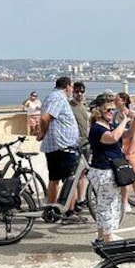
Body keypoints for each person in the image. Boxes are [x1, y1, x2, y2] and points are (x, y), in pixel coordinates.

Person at [36, 76, 84, 224]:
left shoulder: (52, 97)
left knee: (54, 179)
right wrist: (42, 133)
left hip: (55, 146)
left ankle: (51, 211)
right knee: (70, 179)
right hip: (63, 146)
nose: (72, 91)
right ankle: (69, 213)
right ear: (67, 86)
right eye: (72, 87)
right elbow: (45, 118)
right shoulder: (58, 98)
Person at [86, 98, 132, 241]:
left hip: (108, 170)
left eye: (112, 109)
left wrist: (133, 120)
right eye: (108, 110)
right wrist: (124, 121)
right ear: (99, 112)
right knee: (107, 206)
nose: (111, 112)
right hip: (103, 171)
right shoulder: (97, 129)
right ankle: (108, 239)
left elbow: (128, 134)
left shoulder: (109, 126)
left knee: (104, 205)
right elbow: (112, 138)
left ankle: (101, 238)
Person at [116, 92, 135, 217]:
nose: (115, 101)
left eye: (117, 99)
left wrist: (130, 150)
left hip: (131, 149)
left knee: (134, 178)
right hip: (120, 148)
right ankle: (124, 203)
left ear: (123, 101)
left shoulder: (131, 114)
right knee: (123, 179)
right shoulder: (115, 115)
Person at [70, 82, 90, 212]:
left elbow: (87, 125)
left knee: (83, 173)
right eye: (77, 92)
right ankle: (74, 201)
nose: (79, 94)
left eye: (81, 92)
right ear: (73, 92)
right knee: (74, 174)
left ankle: (81, 199)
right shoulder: (69, 107)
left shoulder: (83, 107)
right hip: (74, 145)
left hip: (85, 144)